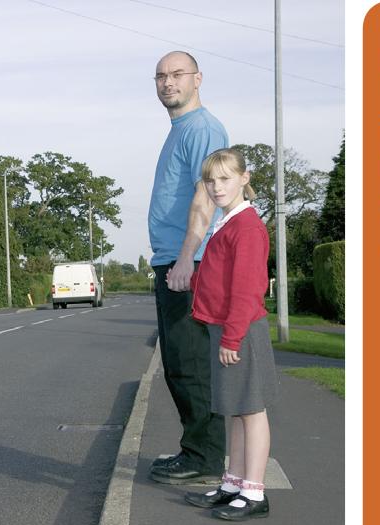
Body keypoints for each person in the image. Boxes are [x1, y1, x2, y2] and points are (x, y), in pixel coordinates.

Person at [181, 148, 279, 521]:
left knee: (251, 411)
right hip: (226, 328)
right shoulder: (226, 223)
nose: (216, 186)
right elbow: (219, 278)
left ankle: (254, 493)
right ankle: (234, 483)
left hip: (241, 332)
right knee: (235, 412)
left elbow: (246, 289)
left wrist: (232, 339)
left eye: (224, 178)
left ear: (244, 178)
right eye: (211, 180)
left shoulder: (247, 226)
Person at [147, 51, 229, 485]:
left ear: (198, 78)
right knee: (179, 361)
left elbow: (207, 194)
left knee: (191, 362)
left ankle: (205, 456)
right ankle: (197, 449)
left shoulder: (201, 128)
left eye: (177, 74)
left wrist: (185, 257)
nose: (168, 82)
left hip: (189, 262)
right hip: (174, 260)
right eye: (160, 76)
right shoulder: (180, 129)